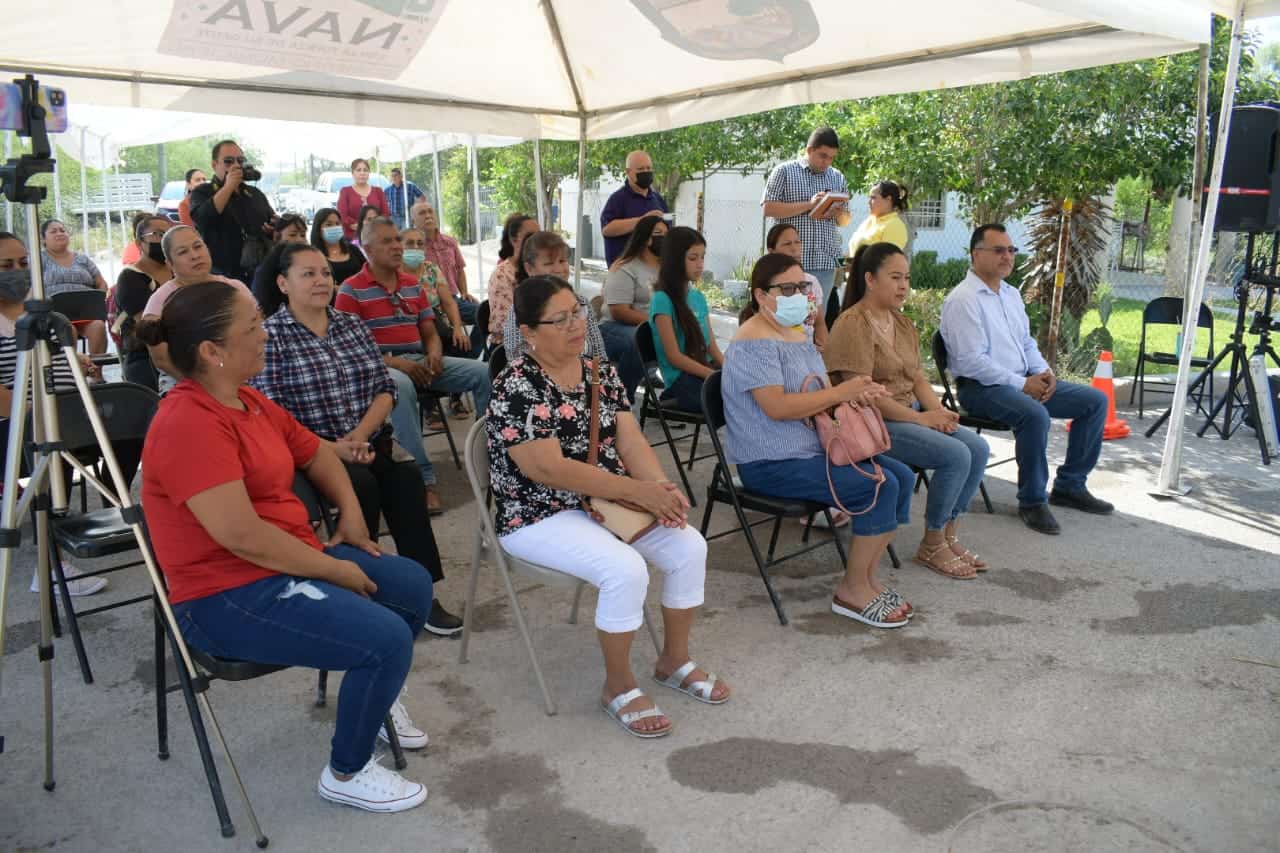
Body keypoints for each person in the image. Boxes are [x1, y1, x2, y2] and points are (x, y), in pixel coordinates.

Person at [136, 281, 432, 813]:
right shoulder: (187, 422)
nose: (265, 333)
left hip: (283, 562)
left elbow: (316, 453)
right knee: (385, 637)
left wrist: (352, 514)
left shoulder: (246, 398)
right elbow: (240, 536)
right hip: (222, 593)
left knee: (409, 585)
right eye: (252, 327)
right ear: (213, 351)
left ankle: (376, 701)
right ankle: (347, 770)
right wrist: (331, 569)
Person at [489, 275, 729, 737]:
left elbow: (630, 438)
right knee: (625, 570)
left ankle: (674, 661)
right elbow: (549, 471)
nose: (575, 324)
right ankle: (617, 687)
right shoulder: (515, 385)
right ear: (530, 332)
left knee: (688, 546)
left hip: (605, 501)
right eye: (558, 320)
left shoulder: (598, 370)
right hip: (537, 513)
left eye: (577, 312)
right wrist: (635, 492)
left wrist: (660, 488)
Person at [252, 243, 463, 635]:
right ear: (283, 283)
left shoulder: (350, 324)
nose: (321, 282)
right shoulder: (270, 337)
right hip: (310, 452)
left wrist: (360, 435)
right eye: (308, 274)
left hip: (364, 441)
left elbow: (385, 388)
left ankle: (422, 594)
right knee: (362, 487)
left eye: (324, 274)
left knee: (405, 482)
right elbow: (272, 411)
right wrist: (332, 448)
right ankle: (362, 594)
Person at [723, 253, 915, 628]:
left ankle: (868, 579)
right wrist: (840, 394)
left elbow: (823, 391)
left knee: (902, 478)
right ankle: (852, 590)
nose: (800, 294)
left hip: (812, 449)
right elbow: (777, 407)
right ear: (762, 295)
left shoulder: (794, 333)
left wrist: (856, 392)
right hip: (771, 462)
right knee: (879, 485)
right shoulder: (752, 343)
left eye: (804, 286)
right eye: (789, 288)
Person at [826, 243, 990, 578]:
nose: (904, 285)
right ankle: (931, 544)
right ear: (870, 280)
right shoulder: (853, 323)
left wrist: (937, 414)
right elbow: (864, 393)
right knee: (955, 455)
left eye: (907, 278)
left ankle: (947, 535)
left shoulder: (902, 323)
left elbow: (916, 378)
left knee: (977, 447)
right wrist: (921, 419)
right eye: (896, 277)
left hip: (908, 414)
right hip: (873, 423)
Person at [940, 224, 1112, 535]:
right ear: (976, 254)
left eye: (1011, 250)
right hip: (981, 389)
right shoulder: (963, 299)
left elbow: (1026, 343)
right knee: (1034, 415)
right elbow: (971, 362)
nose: (1007, 256)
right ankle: (1032, 501)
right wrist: (1023, 385)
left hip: (1021, 381)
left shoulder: (1011, 294)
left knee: (1095, 401)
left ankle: (1070, 486)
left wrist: (1045, 373)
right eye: (999, 250)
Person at [336, 218, 492, 513]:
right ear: (367, 249)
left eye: (398, 239)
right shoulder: (350, 290)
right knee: (400, 385)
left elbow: (430, 333)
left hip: (420, 361)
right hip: (377, 369)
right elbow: (348, 353)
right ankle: (424, 481)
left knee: (484, 373)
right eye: (388, 241)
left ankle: (490, 458)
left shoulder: (412, 285)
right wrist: (399, 364)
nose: (397, 246)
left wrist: (434, 353)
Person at [0, 232, 110, 597]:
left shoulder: (43, 313)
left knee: (123, 424)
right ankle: (49, 565)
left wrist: (80, 364)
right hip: (16, 426)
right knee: (47, 439)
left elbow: (59, 360)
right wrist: (40, 412)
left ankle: (113, 508)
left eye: (22, 263)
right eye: (6, 266)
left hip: (63, 412)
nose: (17, 272)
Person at [141, 226, 252, 392]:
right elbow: (161, 359)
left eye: (198, 246)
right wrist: (209, 386)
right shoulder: (160, 301)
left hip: (241, 376)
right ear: (170, 263)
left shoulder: (235, 288)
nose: (194, 255)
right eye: (183, 252)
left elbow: (256, 333)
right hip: (186, 383)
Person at [761, 127, 851, 306]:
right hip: (789, 261)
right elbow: (768, 208)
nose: (827, 162)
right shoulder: (784, 171)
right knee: (785, 315)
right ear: (809, 150)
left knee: (816, 318)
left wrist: (838, 212)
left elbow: (845, 221)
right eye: (823, 156)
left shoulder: (837, 177)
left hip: (824, 262)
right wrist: (810, 205)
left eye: (832, 157)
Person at [649, 227, 724, 412]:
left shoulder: (698, 297)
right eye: (693, 258)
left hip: (703, 371)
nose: (700, 264)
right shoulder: (662, 300)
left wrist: (730, 372)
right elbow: (674, 357)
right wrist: (711, 376)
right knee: (732, 403)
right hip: (681, 381)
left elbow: (712, 347)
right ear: (675, 260)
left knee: (747, 391)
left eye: (702, 257)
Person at [598, 215, 667, 401]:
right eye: (658, 234)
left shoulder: (667, 268)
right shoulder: (625, 267)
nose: (664, 238)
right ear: (644, 238)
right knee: (638, 341)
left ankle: (676, 397)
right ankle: (621, 400)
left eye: (666, 234)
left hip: (653, 328)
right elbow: (619, 311)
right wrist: (657, 323)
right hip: (613, 329)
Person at [188, 139, 277, 282]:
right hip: (222, 274)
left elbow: (271, 220)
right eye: (228, 161)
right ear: (214, 164)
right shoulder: (203, 192)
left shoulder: (254, 193)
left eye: (240, 161)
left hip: (258, 272)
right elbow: (203, 218)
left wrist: (273, 228)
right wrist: (229, 186)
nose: (236, 166)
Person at [113, 216, 173, 390]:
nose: (164, 239)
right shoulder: (130, 277)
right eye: (158, 234)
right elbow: (150, 326)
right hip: (145, 355)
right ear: (139, 243)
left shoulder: (179, 272)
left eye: (168, 234)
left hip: (183, 348)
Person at [39, 219, 109, 354]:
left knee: (98, 326)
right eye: (53, 231)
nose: (59, 233)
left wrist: (98, 299)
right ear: (43, 238)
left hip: (86, 311)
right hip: (54, 313)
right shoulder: (39, 260)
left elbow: (101, 283)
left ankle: (96, 373)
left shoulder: (82, 259)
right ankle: (72, 372)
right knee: (67, 328)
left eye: (62, 230)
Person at [764, 223, 828, 350]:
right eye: (787, 244)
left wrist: (824, 350)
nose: (794, 248)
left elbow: (819, 323)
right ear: (771, 251)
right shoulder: (767, 285)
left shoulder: (811, 282)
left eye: (798, 242)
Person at [600, 150, 669, 268]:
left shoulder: (658, 199)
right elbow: (607, 229)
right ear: (628, 172)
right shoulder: (618, 199)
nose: (646, 172)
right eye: (641, 169)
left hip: (653, 268)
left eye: (648, 168)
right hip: (625, 269)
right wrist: (642, 221)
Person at [410, 200, 476, 310]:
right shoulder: (413, 246)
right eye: (422, 213)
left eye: (430, 212)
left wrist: (464, 292)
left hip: (453, 298)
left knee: (482, 313)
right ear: (413, 221)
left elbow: (460, 270)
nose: (428, 216)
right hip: (427, 303)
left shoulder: (450, 242)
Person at [486, 214, 538, 344]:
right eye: (530, 236)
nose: (537, 241)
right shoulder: (502, 275)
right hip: (510, 346)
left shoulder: (538, 269)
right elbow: (504, 326)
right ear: (514, 240)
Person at [849, 180, 910, 257]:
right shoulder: (869, 221)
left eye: (873, 197)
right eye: (869, 197)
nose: (869, 202)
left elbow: (887, 261)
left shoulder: (895, 225)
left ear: (888, 199)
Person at [310, 207, 367, 286]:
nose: (334, 227)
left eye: (337, 224)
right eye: (329, 224)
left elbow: (368, 271)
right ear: (318, 229)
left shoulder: (353, 249)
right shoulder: (313, 255)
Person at [337, 159, 390, 241]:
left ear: (369, 173)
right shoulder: (345, 191)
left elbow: (386, 213)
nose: (362, 173)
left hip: (376, 236)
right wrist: (360, 225)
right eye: (358, 170)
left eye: (365, 170)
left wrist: (374, 224)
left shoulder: (378, 191)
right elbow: (342, 215)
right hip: (353, 238)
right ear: (353, 173)